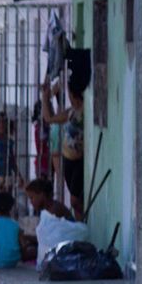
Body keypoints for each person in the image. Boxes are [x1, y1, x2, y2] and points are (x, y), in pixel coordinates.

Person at [42, 83, 85, 218]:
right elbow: (49, 118)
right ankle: (80, 224)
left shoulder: (85, 111)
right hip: (68, 160)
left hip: (79, 161)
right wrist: (45, 97)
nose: (70, 98)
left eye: (70, 94)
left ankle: (81, 222)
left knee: (75, 200)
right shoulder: (70, 112)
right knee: (75, 201)